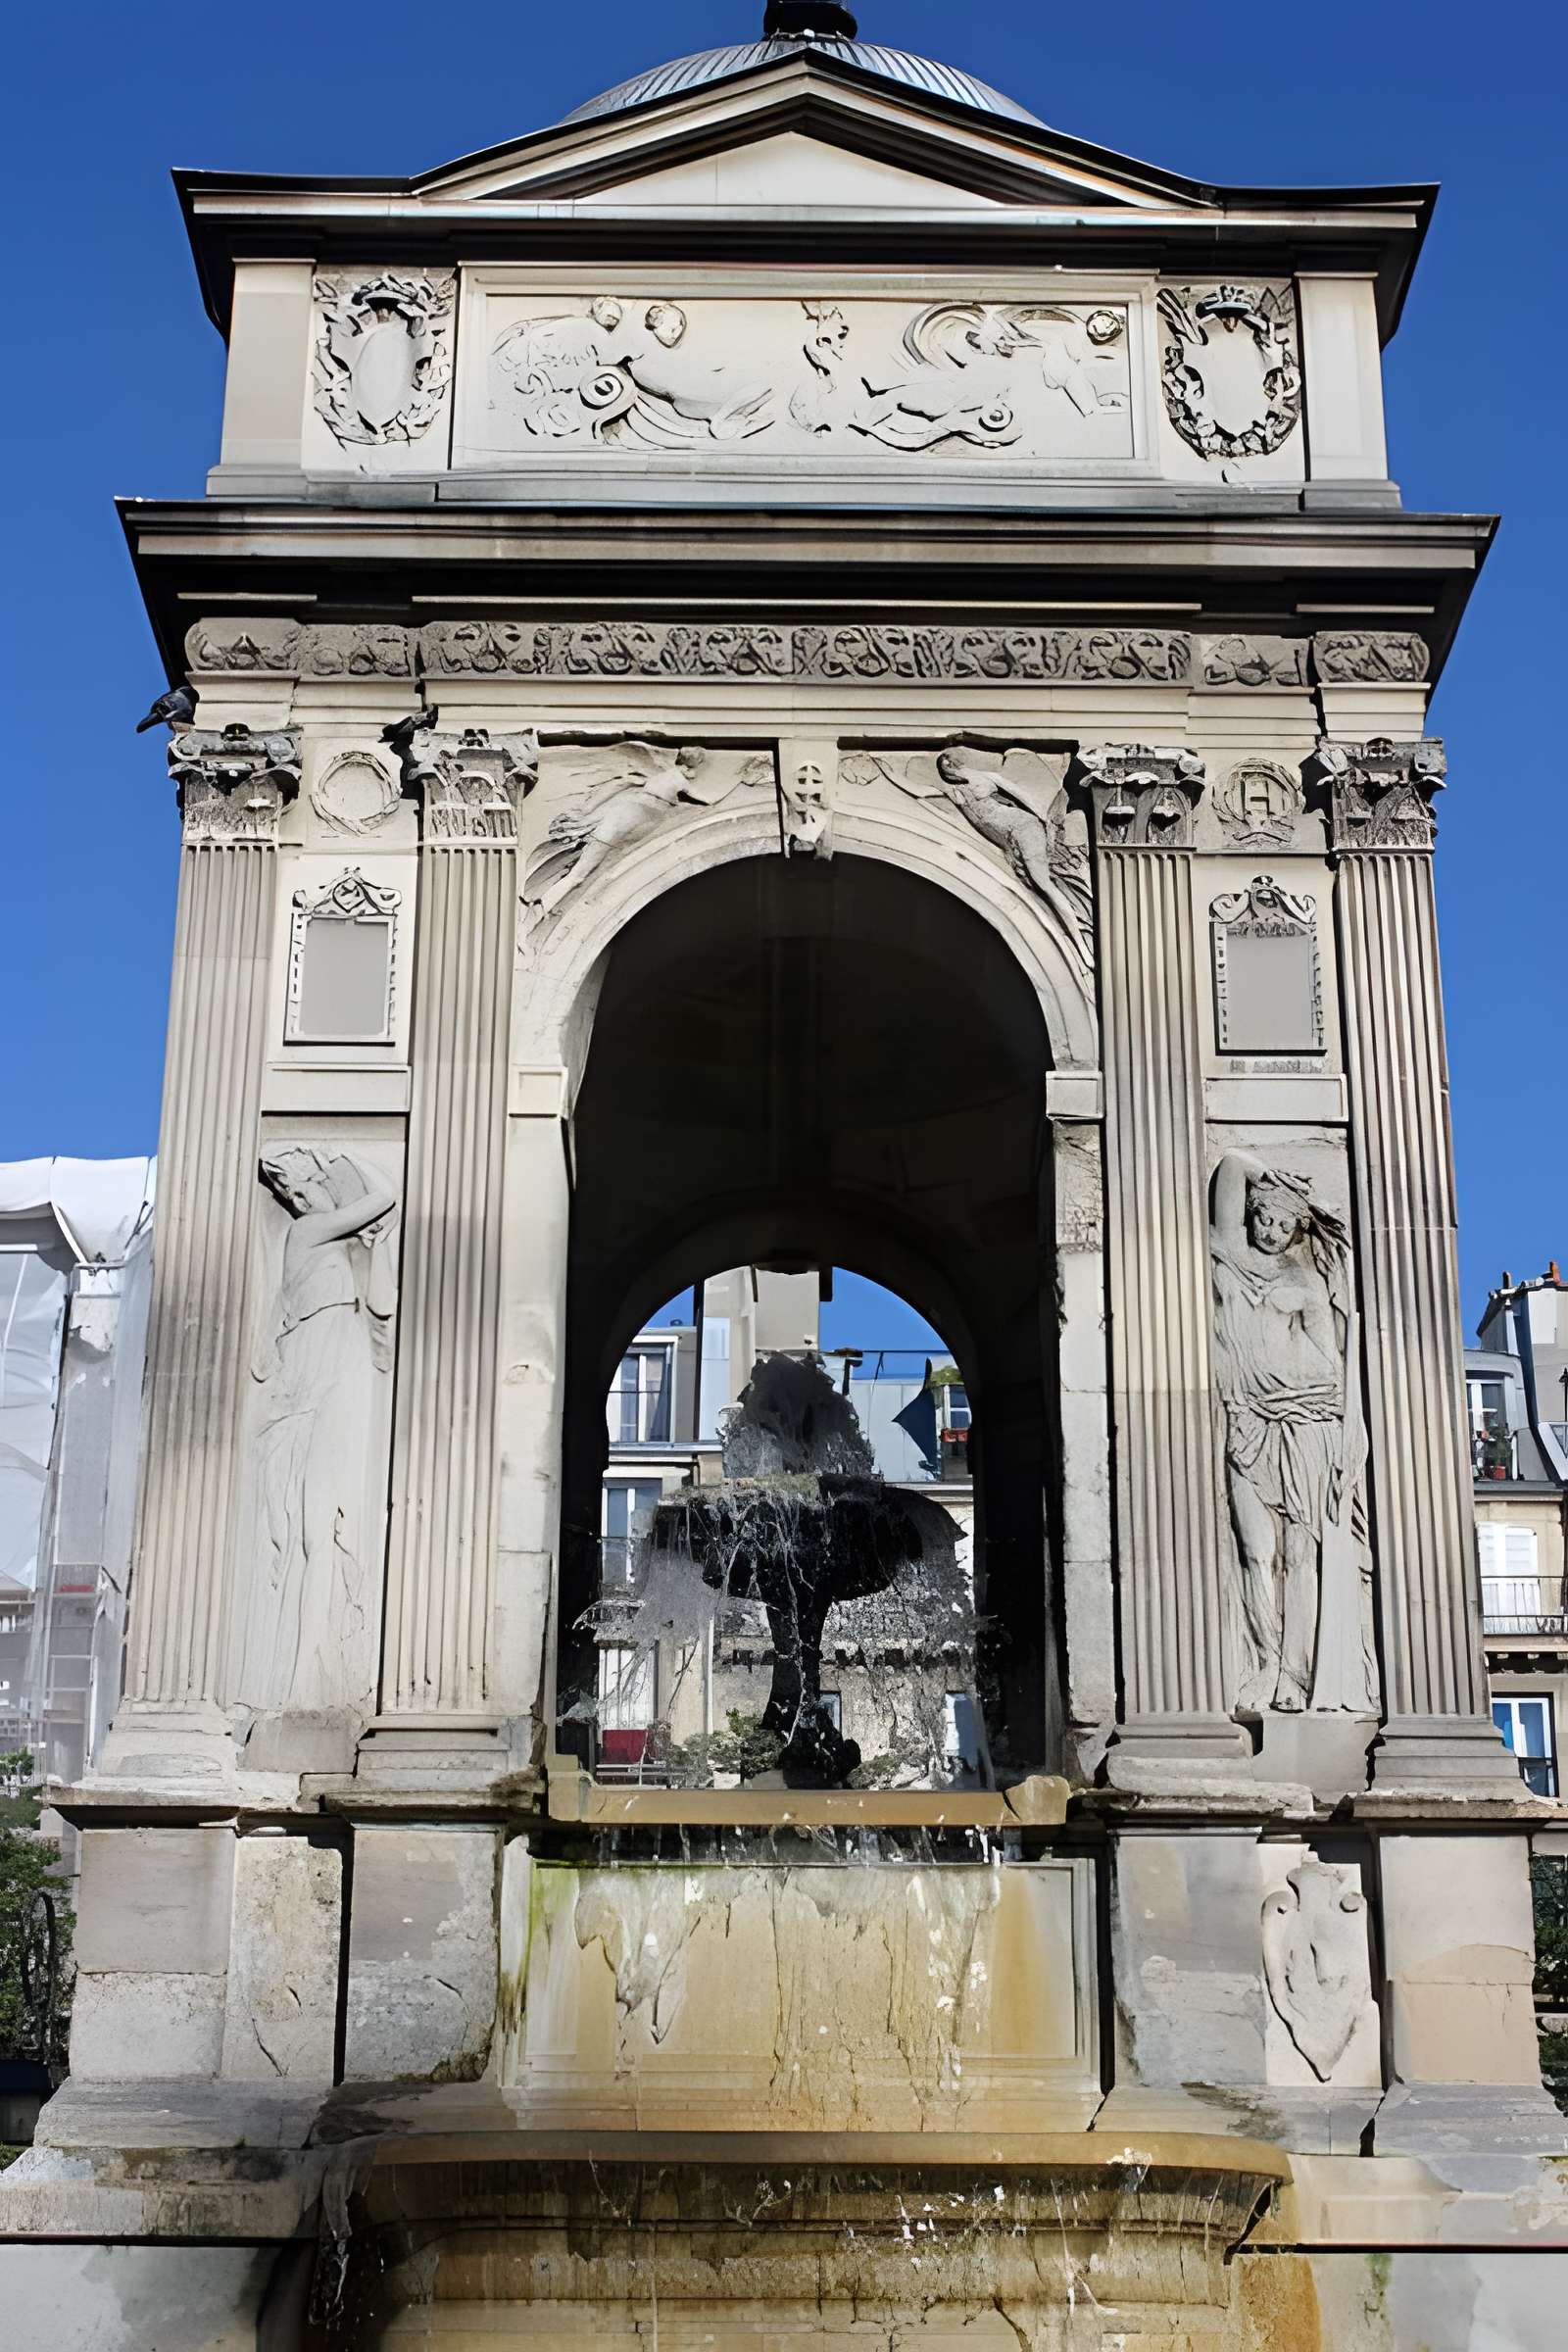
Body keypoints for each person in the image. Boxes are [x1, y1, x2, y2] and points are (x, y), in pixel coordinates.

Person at [1209, 1150, 1374, 1714]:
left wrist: (1347, 1433)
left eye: (1285, 1225)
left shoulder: (1306, 1281)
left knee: (1301, 1554)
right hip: (1247, 1418)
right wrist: (1279, 1180)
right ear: (1251, 1215)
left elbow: (1334, 1361)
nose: (1273, 1233)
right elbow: (1231, 1166)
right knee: (1255, 1550)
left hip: (1308, 1421)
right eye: (1265, 1219)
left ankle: (1295, 1676)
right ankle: (1264, 1661)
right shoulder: (1229, 1253)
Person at [238, 1148, 397, 1711]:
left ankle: (312, 1665)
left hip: (341, 1367)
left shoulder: (339, 1249)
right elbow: (384, 1194)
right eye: (293, 1195)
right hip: (314, 1374)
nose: (302, 1201)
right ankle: (299, 1672)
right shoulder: (305, 1232)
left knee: (325, 1524)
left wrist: (377, 1248)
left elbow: (382, 1305)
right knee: (307, 1530)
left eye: (308, 1188)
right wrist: (347, 1163)